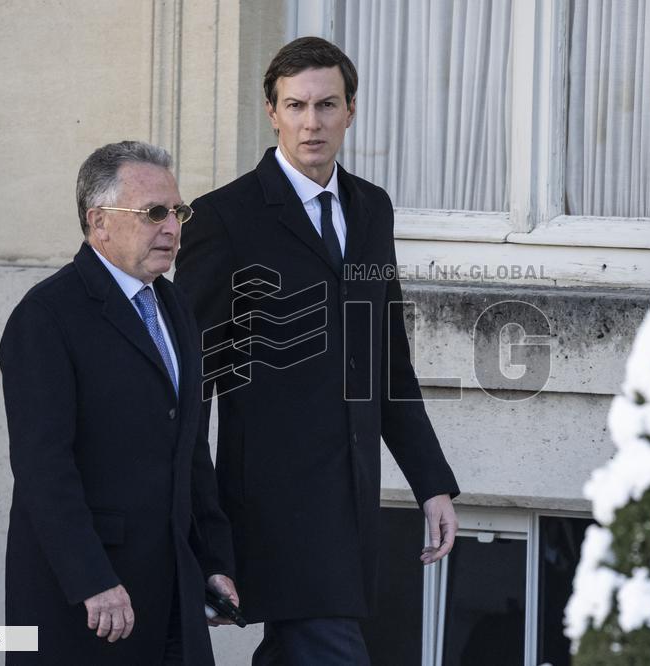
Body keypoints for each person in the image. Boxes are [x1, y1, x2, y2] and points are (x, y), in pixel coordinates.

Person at [175, 37, 460, 664]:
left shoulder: (371, 209)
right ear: (271, 111)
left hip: (352, 499)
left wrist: (431, 485)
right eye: (296, 106)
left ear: (350, 111)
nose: (312, 122)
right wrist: (200, 526)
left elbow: (385, 358)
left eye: (327, 105)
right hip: (270, 506)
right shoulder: (223, 219)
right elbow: (189, 380)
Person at [0, 141, 238, 665]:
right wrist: (92, 580)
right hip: (92, 606)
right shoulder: (46, 316)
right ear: (98, 221)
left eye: (178, 211)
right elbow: (44, 468)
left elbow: (191, 449)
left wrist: (214, 560)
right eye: (154, 212)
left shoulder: (174, 305)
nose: (173, 227)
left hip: (173, 593)